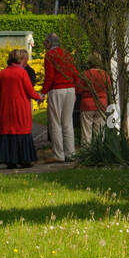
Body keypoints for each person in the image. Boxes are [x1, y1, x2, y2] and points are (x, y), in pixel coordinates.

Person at [0, 49, 44, 170]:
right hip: (20, 107)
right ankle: (24, 159)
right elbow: (30, 91)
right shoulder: (22, 73)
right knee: (22, 131)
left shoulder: (3, 73)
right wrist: (39, 97)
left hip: (6, 108)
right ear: (20, 59)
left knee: (8, 132)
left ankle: (9, 160)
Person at [43, 33, 80, 163]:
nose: (44, 44)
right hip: (70, 89)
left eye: (45, 42)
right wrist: (76, 87)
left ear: (49, 42)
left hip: (57, 90)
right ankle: (71, 154)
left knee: (55, 123)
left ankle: (59, 155)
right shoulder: (67, 54)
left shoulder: (50, 55)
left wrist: (43, 92)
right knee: (67, 123)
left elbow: (50, 77)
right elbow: (75, 72)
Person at [79, 53, 111, 145]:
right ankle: (99, 152)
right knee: (99, 131)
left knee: (86, 131)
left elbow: (80, 89)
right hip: (101, 104)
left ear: (89, 62)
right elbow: (109, 88)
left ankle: (86, 152)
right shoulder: (105, 74)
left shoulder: (85, 74)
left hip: (87, 105)